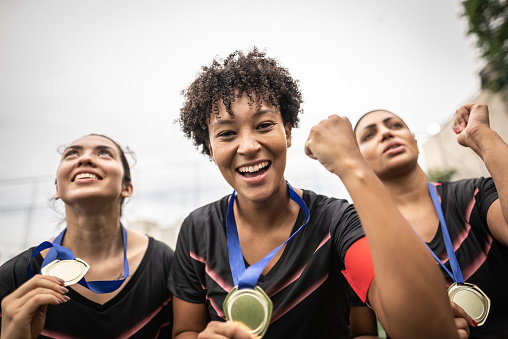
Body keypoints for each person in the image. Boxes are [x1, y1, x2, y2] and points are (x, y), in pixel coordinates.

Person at [168, 47, 459, 339]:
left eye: (264, 125)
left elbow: (425, 331)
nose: (247, 146)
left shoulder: (337, 223)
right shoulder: (198, 229)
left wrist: (351, 165)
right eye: (227, 133)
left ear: (288, 132)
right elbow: (185, 331)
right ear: (210, 148)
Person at [353, 104, 508, 339]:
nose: (386, 133)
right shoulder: (359, 238)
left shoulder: (471, 196)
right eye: (369, 135)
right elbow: (361, 333)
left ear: (414, 142)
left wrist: (482, 135)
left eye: (395, 125)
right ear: (358, 161)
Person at [0, 134, 174, 339]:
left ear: (127, 188)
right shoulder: (15, 276)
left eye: (104, 153)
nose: (85, 159)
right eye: (71, 154)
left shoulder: (165, 264)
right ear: (57, 189)